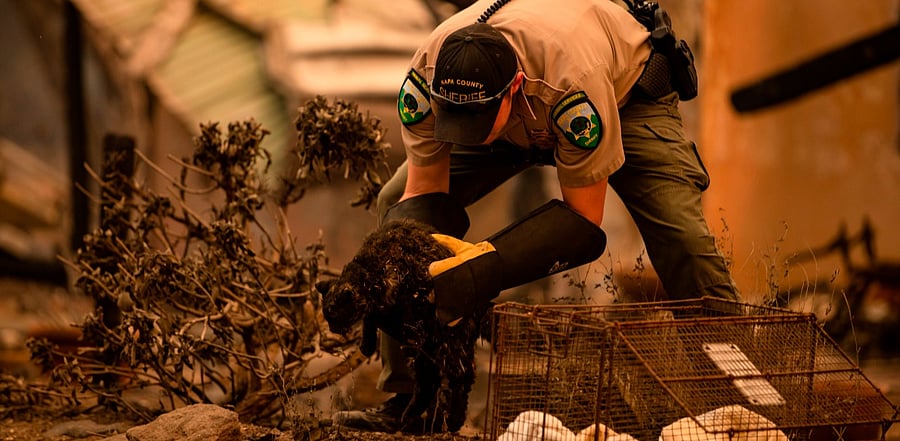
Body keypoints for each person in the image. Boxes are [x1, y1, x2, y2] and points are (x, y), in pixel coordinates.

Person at [334, 0, 740, 432]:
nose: (465, 133)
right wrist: (425, 273)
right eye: (456, 121)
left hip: (621, 100)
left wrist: (481, 268)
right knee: (398, 212)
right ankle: (414, 401)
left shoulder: (575, 82)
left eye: (476, 121)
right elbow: (424, 196)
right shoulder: (425, 79)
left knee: (684, 243)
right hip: (513, 112)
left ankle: (737, 396)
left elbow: (582, 220)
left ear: (514, 88)